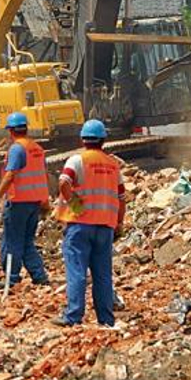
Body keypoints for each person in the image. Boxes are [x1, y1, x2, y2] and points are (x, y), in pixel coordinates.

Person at [52, 119, 125, 328]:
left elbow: (64, 182)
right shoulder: (113, 165)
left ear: (83, 139)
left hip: (80, 226)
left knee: (77, 271)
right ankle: (106, 319)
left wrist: (74, 205)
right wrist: (119, 222)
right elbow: (121, 197)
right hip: (105, 227)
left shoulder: (77, 160)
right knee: (103, 275)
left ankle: (73, 316)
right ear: (103, 140)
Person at [0, 112, 50, 290]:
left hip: (18, 203)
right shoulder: (36, 148)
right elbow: (43, 176)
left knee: (11, 241)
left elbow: (10, 175)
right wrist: (45, 201)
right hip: (34, 202)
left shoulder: (17, 149)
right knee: (26, 241)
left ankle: (11, 278)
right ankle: (39, 276)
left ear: (10, 130)